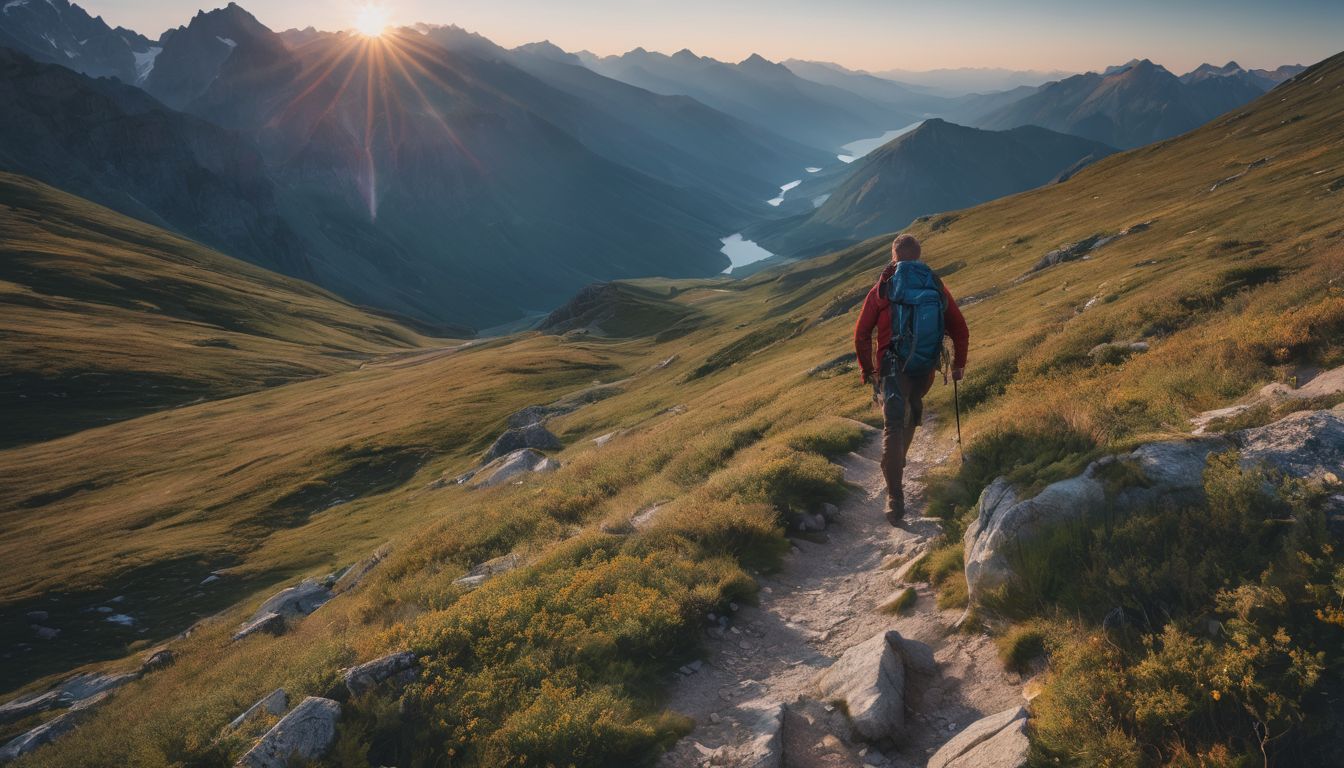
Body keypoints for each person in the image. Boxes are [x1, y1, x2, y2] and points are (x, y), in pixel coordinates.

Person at [853, 234, 969, 526]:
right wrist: (958, 365)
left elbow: (862, 333)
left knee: (893, 422)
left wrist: (868, 370)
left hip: (893, 365)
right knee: (912, 409)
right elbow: (959, 328)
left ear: (894, 255)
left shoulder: (884, 288)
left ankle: (895, 496)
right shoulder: (935, 284)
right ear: (918, 255)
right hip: (925, 366)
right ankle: (897, 463)